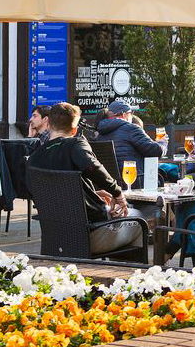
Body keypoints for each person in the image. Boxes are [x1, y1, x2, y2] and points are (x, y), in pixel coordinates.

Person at [27, 102, 143, 255]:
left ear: (48, 124)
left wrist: (90, 193)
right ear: (74, 129)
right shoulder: (76, 145)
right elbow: (94, 168)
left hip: (54, 238)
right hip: (89, 235)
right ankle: (123, 276)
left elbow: (50, 191)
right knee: (138, 218)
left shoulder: (34, 159)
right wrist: (117, 193)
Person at [94, 101, 165, 178]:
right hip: (134, 180)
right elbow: (156, 151)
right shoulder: (131, 128)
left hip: (110, 183)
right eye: (131, 113)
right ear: (124, 115)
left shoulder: (99, 132)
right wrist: (162, 142)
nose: (132, 116)